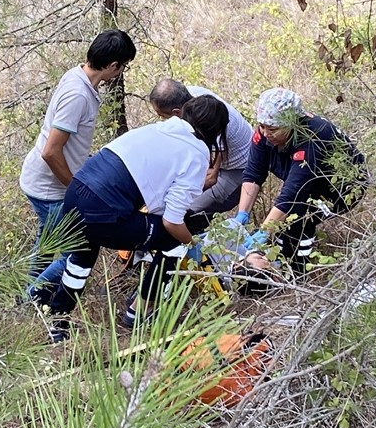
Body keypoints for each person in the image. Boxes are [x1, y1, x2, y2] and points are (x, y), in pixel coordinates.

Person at [38, 95, 231, 342]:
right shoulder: (196, 153)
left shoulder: (157, 129)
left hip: (75, 194)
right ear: (215, 130)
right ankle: (140, 311)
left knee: (80, 260)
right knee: (173, 242)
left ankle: (58, 323)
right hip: (104, 212)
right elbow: (171, 222)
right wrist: (191, 243)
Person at [18, 29, 136, 296]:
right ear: (113, 65)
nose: (121, 72)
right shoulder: (78, 95)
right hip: (48, 188)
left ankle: (25, 293)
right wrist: (75, 188)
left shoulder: (80, 79)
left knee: (47, 244)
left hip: (45, 182)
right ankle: (30, 299)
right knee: (76, 251)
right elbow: (51, 151)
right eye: (123, 66)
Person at [234, 88, 367, 275]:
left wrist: (265, 231)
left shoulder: (313, 139)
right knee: (282, 221)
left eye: (272, 129)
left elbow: (292, 196)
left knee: (297, 218)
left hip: (342, 189)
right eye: (262, 126)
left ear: (292, 123)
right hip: (308, 182)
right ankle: (279, 256)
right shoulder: (264, 133)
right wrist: (242, 214)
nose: (265, 133)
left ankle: (296, 270)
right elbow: (253, 173)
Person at [148, 79, 254, 226]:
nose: (162, 119)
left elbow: (210, 178)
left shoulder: (211, 123)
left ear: (176, 112)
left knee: (186, 211)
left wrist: (173, 198)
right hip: (220, 159)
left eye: (162, 115)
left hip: (239, 168)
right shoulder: (190, 95)